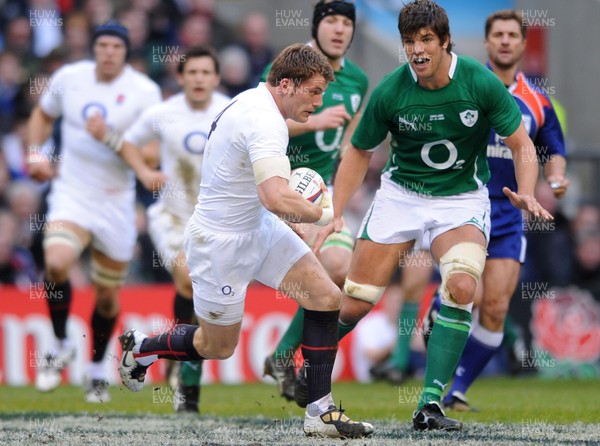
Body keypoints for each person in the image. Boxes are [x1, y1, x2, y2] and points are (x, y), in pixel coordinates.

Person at [311, 0, 554, 431]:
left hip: (459, 200)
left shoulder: (479, 82)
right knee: (356, 301)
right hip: (401, 195)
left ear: (445, 42)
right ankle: (302, 367)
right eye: (409, 41)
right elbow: (359, 151)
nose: (417, 50)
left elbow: (520, 143)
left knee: (462, 285)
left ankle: (430, 403)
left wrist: (528, 190)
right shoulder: (390, 89)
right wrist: (333, 210)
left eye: (426, 40)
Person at [117, 43, 374, 439]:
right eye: (315, 91)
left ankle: (320, 412)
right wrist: (323, 212)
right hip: (219, 245)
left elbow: (264, 197)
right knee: (216, 346)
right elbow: (275, 195)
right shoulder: (263, 120)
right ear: (286, 84)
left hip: (259, 228)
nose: (320, 102)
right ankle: (143, 348)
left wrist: (293, 218)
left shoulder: (256, 101)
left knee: (326, 297)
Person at [421, 10, 568, 412]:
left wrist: (555, 179)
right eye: (497, 34)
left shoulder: (538, 101)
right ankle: (438, 317)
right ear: (486, 43)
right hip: (465, 207)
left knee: (497, 307)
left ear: (522, 44)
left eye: (512, 35)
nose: (504, 41)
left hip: (508, 214)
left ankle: (458, 390)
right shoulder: (463, 85)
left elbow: (554, 150)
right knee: (470, 294)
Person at [27, 21, 162, 403]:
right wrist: (37, 155)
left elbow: (152, 154)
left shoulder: (144, 92)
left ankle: (97, 370)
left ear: (125, 51)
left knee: (107, 299)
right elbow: (41, 115)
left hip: (115, 201)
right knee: (55, 261)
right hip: (72, 193)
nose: (108, 52)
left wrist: (111, 137)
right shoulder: (69, 78)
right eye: (101, 45)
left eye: (115, 46)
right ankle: (59, 344)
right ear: (93, 49)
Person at [261, 0, 369, 402]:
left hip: (318, 190)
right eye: (331, 21)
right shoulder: (289, 64)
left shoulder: (358, 80)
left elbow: (353, 144)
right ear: (316, 26)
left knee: (339, 267)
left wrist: (339, 197)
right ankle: (184, 375)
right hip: (274, 184)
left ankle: (284, 355)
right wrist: (312, 121)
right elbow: (257, 118)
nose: (339, 29)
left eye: (346, 22)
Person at [117, 45, 230, 413]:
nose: (198, 79)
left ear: (216, 78)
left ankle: (166, 352)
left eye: (205, 73)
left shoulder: (230, 111)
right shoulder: (163, 113)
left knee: (207, 299)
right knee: (189, 278)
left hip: (215, 223)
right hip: (172, 219)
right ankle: (178, 368)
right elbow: (127, 142)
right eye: (192, 72)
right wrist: (145, 172)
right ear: (181, 78)